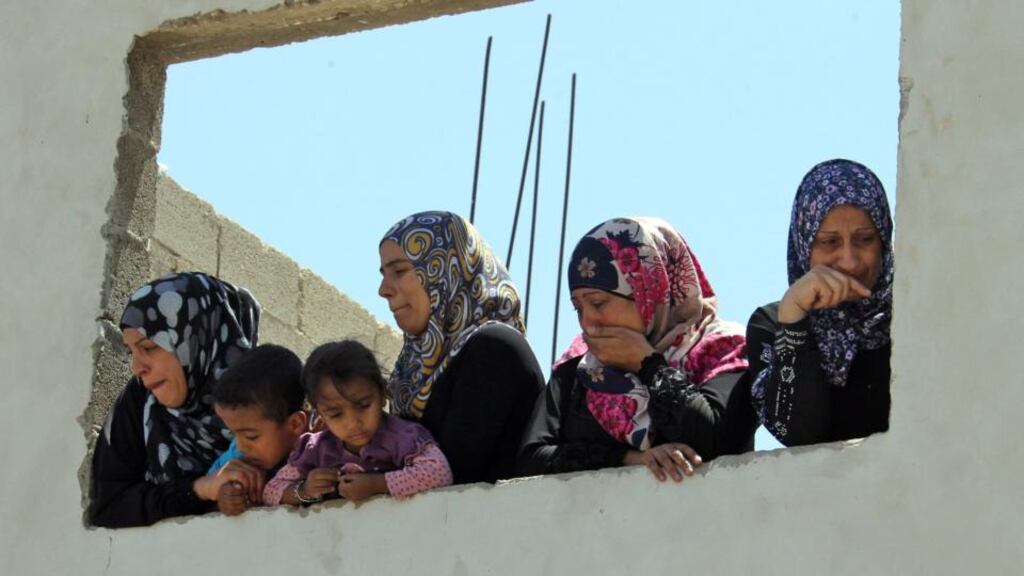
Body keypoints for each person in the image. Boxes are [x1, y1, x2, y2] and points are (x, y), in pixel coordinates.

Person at [518, 217, 752, 482]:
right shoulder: (579, 368)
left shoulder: (722, 349)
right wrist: (629, 459)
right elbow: (531, 460)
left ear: (651, 293)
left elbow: (718, 442)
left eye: (598, 303)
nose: (587, 320)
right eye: (578, 307)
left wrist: (648, 364)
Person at [378, 211, 545, 483]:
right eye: (384, 274)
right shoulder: (411, 372)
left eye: (399, 271)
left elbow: (453, 472)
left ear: (446, 269)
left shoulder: (494, 349)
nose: (383, 289)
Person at [90, 272, 262, 528]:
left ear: (196, 339)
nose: (137, 368)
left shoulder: (269, 397)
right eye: (131, 352)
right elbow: (109, 507)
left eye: (148, 347)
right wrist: (199, 490)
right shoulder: (140, 402)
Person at [748, 158, 893, 446]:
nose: (849, 261)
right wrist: (793, 318)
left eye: (865, 239)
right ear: (804, 245)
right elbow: (796, 433)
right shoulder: (773, 322)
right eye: (830, 242)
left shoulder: (914, 315)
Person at [263, 341, 452, 505]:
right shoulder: (315, 449)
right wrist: (304, 491)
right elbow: (271, 492)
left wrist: (376, 484)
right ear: (319, 413)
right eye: (336, 414)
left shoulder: (403, 437)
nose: (353, 423)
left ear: (383, 393)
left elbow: (439, 473)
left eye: (363, 405)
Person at [207, 344, 307, 516]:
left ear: (295, 424)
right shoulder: (234, 462)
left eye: (251, 437)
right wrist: (225, 497)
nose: (240, 446)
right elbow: (205, 503)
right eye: (233, 434)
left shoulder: (323, 453)